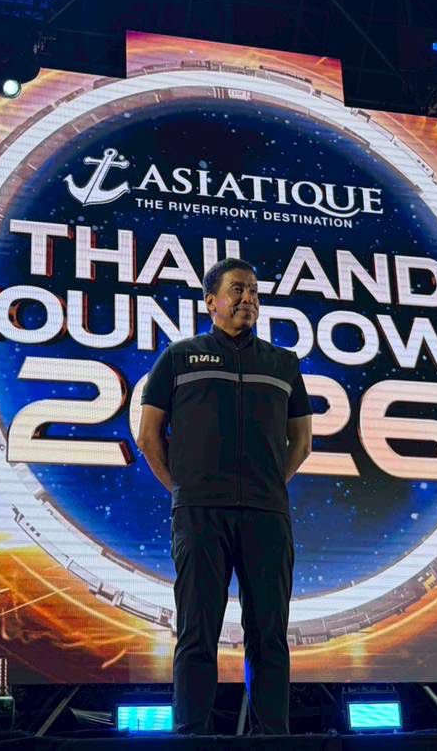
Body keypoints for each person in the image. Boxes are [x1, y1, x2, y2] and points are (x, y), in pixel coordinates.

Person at [138, 258, 313, 735]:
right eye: (237, 290)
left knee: (269, 637)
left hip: (266, 516)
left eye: (254, 291)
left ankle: (272, 740)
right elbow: (149, 436)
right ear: (210, 302)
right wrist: (184, 491)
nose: (248, 298)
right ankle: (191, 738)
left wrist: (268, 484)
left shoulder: (283, 363)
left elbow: (301, 442)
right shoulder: (178, 357)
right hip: (199, 516)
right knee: (197, 635)